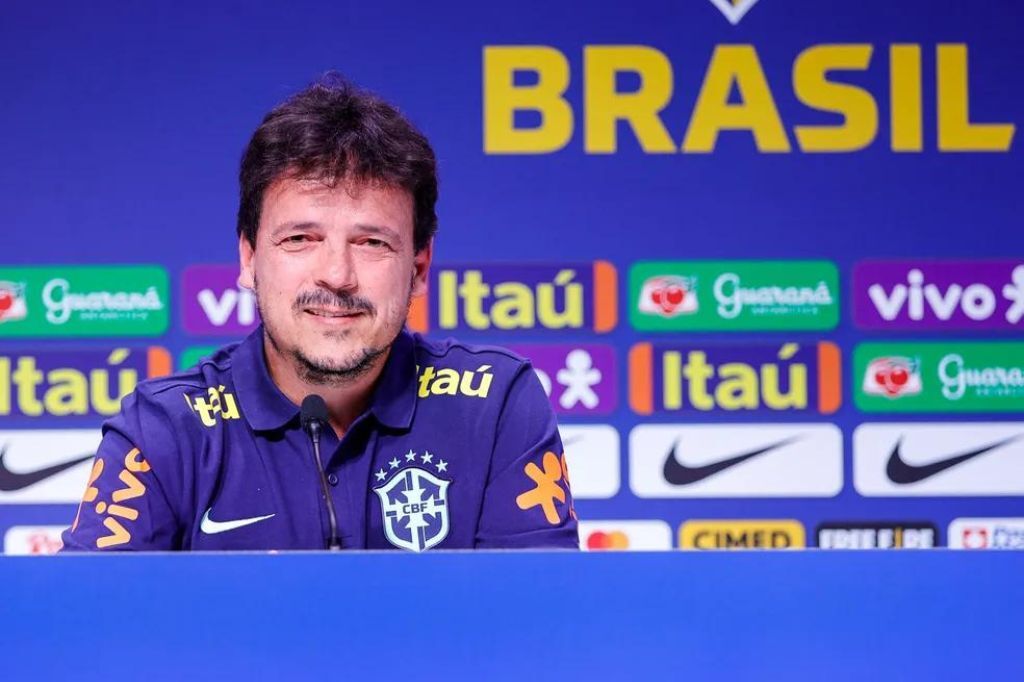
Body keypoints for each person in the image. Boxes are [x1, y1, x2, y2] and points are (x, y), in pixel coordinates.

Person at [61, 76, 577, 552]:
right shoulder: (163, 429)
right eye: (300, 239)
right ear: (248, 259)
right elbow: (86, 630)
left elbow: (541, 628)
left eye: (372, 241)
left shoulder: (495, 404)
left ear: (419, 268)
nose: (336, 274)